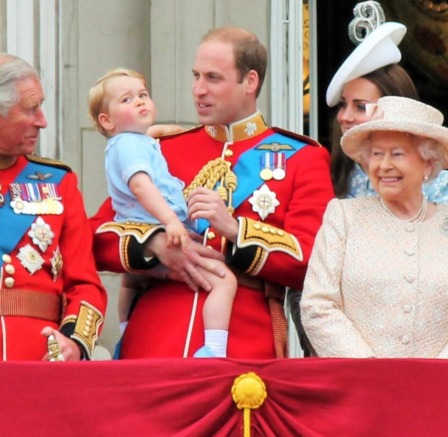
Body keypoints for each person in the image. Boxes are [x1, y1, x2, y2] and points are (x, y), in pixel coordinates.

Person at [90, 27, 334, 359]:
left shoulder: (302, 157)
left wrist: (235, 230)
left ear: (249, 82)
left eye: (213, 78)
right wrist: (156, 244)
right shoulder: (162, 150)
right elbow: (96, 237)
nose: (198, 90)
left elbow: (311, 261)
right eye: (195, 76)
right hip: (152, 344)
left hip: (241, 348)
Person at [301, 96, 448, 358]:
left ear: (428, 163)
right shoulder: (343, 218)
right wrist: (370, 368)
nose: (384, 166)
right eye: (376, 154)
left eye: (397, 154)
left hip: (440, 391)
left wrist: (440, 374)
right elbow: (317, 305)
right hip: (359, 388)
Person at [88, 68, 236, 358]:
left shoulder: (132, 140)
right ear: (106, 120)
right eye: (128, 99)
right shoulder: (131, 145)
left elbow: (152, 134)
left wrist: (185, 131)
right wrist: (168, 223)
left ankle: (125, 331)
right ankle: (215, 350)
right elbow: (140, 187)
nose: (141, 101)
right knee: (224, 280)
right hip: (160, 229)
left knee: (131, 280)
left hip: (145, 234)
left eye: (143, 95)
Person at [0, 54, 106, 361]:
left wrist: (74, 342)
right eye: (31, 109)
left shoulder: (59, 182)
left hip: (39, 358)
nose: (42, 121)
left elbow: (85, 284)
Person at [326, 20, 448, 206]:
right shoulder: (328, 175)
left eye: (361, 107)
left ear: (396, 109)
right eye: (343, 105)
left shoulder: (437, 182)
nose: (345, 117)